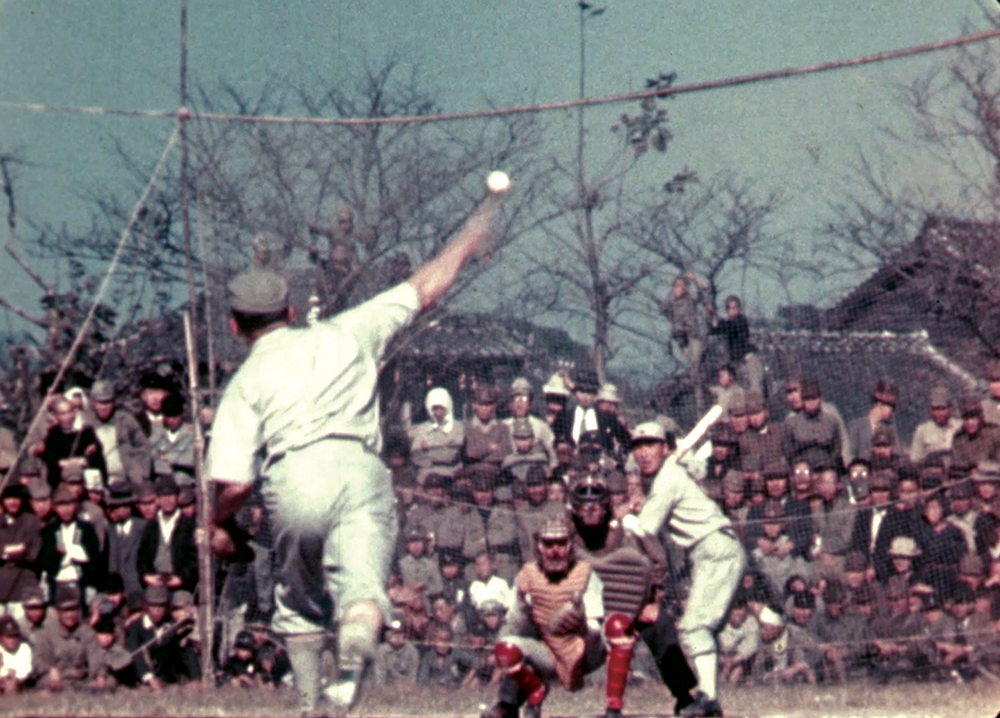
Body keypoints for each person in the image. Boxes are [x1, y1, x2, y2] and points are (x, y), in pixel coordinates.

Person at [207, 196, 503, 716]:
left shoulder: (244, 381)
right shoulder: (345, 331)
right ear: (291, 312)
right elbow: (423, 288)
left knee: (299, 603)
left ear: (235, 326)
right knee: (363, 592)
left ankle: (308, 706)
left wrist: (214, 522)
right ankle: (350, 669)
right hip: (362, 470)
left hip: (294, 475)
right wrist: (468, 237)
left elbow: (234, 485)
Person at [626, 421, 745, 717]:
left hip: (715, 548)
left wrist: (628, 516)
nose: (643, 453)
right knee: (698, 628)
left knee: (694, 627)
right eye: (638, 447)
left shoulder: (668, 479)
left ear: (666, 448)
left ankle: (708, 701)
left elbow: (644, 531)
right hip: (711, 550)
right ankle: (707, 699)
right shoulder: (669, 475)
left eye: (651, 445)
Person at [569, 473, 697, 716]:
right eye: (584, 506)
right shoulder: (564, 531)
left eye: (596, 505)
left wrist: (651, 598)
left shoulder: (629, 528)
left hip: (628, 602)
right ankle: (509, 702)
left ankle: (684, 697)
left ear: (606, 506)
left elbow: (658, 562)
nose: (590, 511)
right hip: (585, 608)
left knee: (661, 624)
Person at [480, 518, 606, 718]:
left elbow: (595, 630)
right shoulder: (527, 575)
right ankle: (510, 703)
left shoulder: (585, 574)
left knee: (609, 630)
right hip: (546, 651)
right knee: (508, 646)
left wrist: (578, 624)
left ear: (570, 545)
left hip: (584, 653)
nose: (555, 551)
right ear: (538, 546)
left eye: (561, 543)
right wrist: (523, 606)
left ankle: (614, 707)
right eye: (548, 544)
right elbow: (512, 629)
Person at [708, 294, 762, 394]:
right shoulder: (727, 324)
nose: (732, 311)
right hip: (737, 363)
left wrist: (715, 314)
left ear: (739, 308)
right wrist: (709, 316)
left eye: (734, 308)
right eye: (729, 309)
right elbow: (715, 330)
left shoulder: (741, 320)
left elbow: (730, 327)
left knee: (755, 389)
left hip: (748, 360)